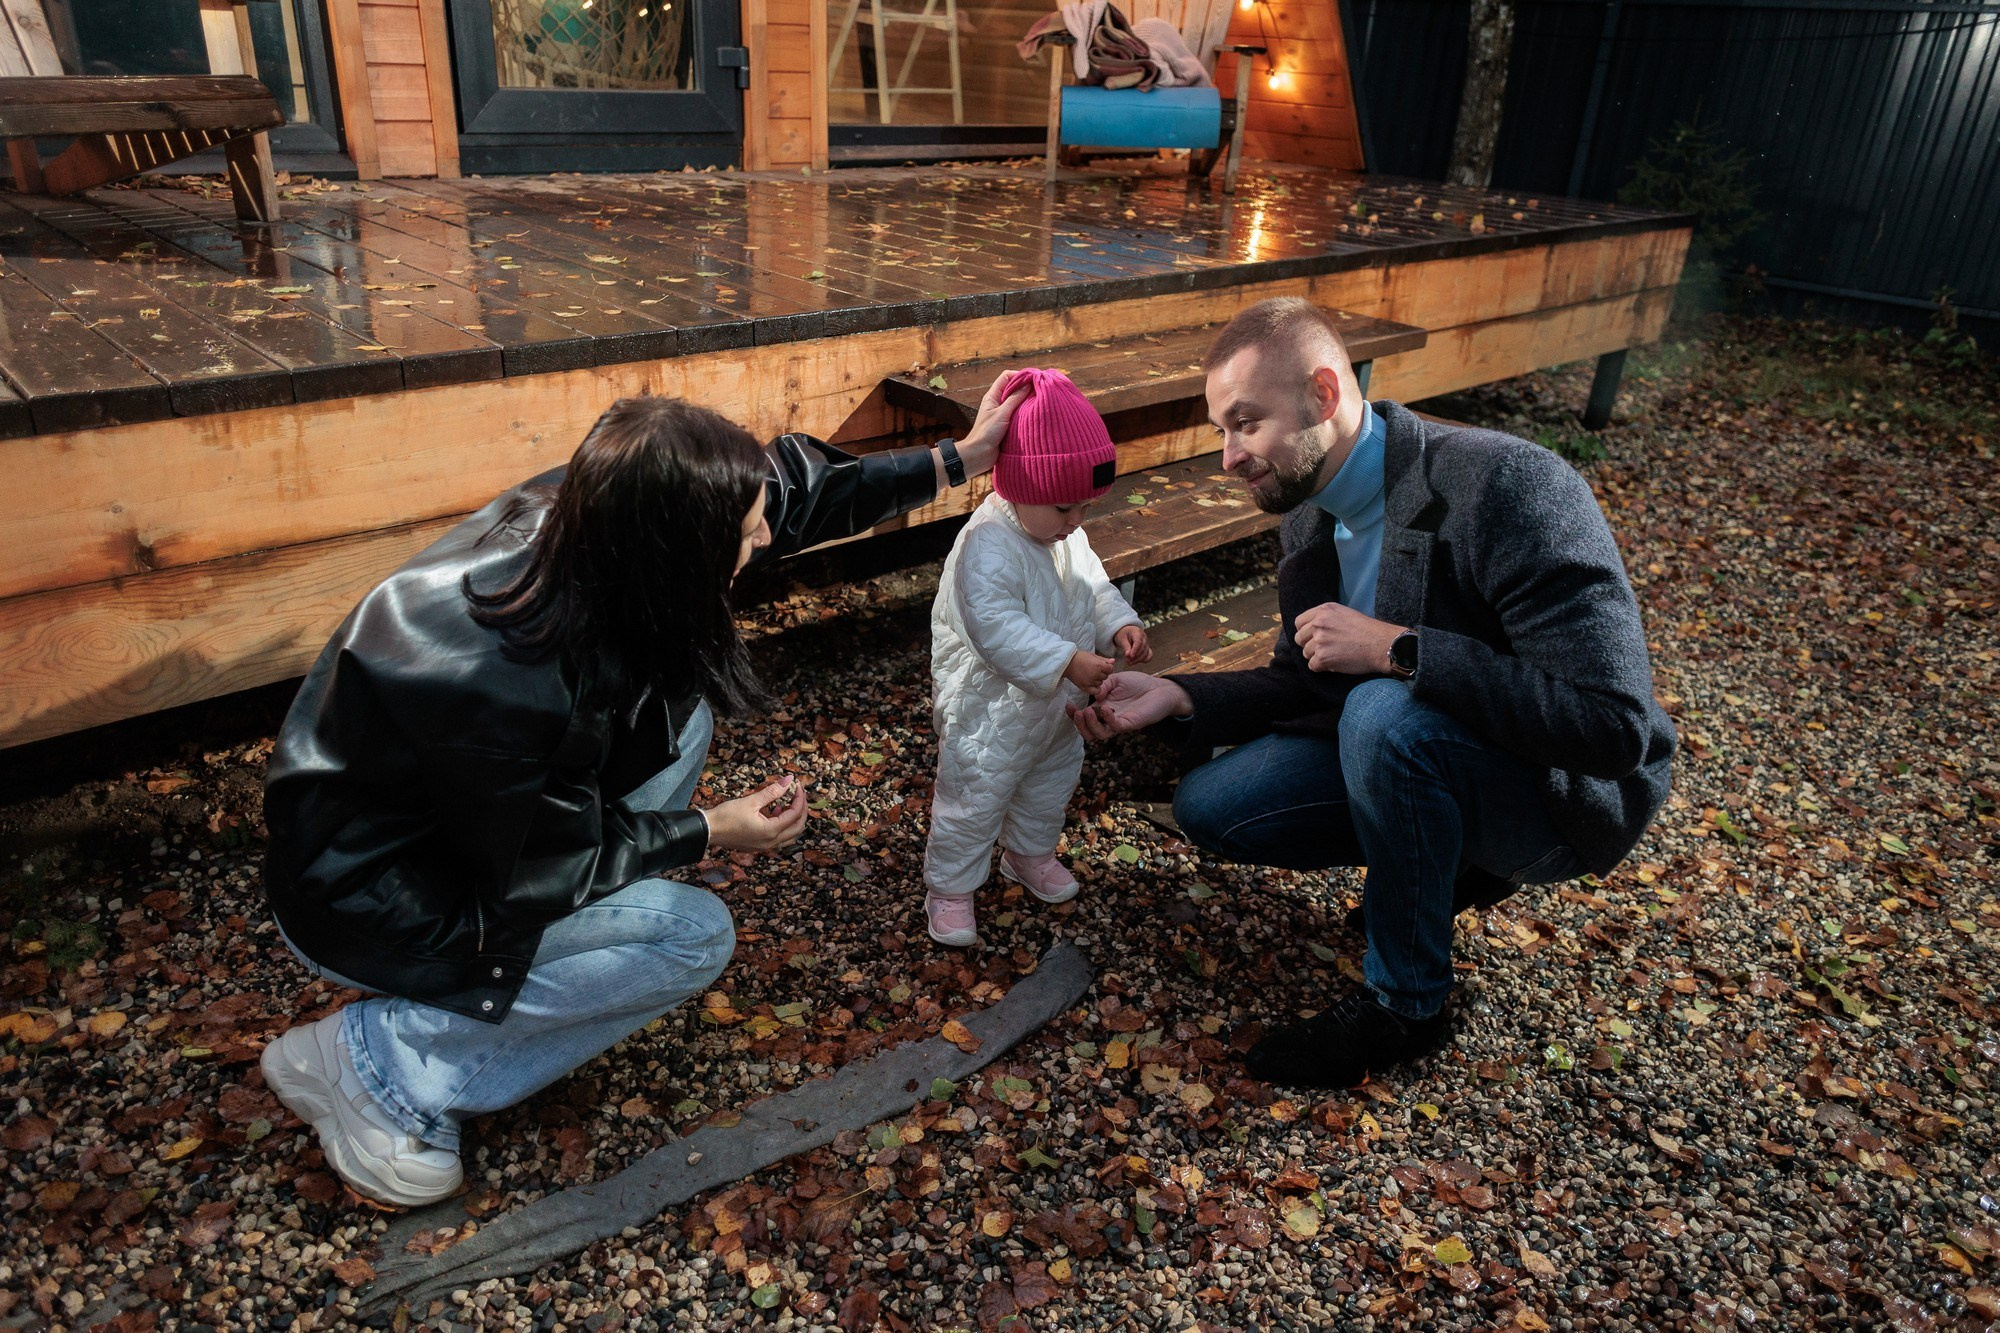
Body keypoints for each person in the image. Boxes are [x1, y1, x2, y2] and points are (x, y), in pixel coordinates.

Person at [259, 383, 1023, 1206]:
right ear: (679, 549)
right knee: (691, 938)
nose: (764, 536)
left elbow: (790, 493)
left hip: (468, 831)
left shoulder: (614, 511)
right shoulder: (505, 678)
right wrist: (703, 830)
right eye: (744, 532)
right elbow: (529, 873)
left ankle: (493, 986)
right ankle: (381, 1063)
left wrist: (959, 459)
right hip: (379, 896)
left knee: (681, 717)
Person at [1068, 298, 1674, 1089]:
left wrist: (1399, 651)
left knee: (1385, 715)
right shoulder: (1308, 514)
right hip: (1426, 748)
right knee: (1213, 806)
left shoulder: (1509, 484)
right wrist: (1179, 695)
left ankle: (1409, 1003)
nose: (1227, 456)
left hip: (1560, 799)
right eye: (1222, 428)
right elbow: (1300, 679)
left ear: (1325, 395)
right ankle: (1437, 859)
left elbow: (1614, 728)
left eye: (1246, 422)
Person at [923, 369, 1150, 947]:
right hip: (989, 711)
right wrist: (1065, 659)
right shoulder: (987, 546)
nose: (1076, 520)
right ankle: (949, 887)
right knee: (975, 794)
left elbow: (1092, 585)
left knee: (1050, 783)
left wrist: (1119, 621)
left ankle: (1027, 854)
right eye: (1063, 507)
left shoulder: (1061, 531)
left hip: (1054, 709)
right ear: (1019, 485)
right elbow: (993, 626)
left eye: (1084, 507)